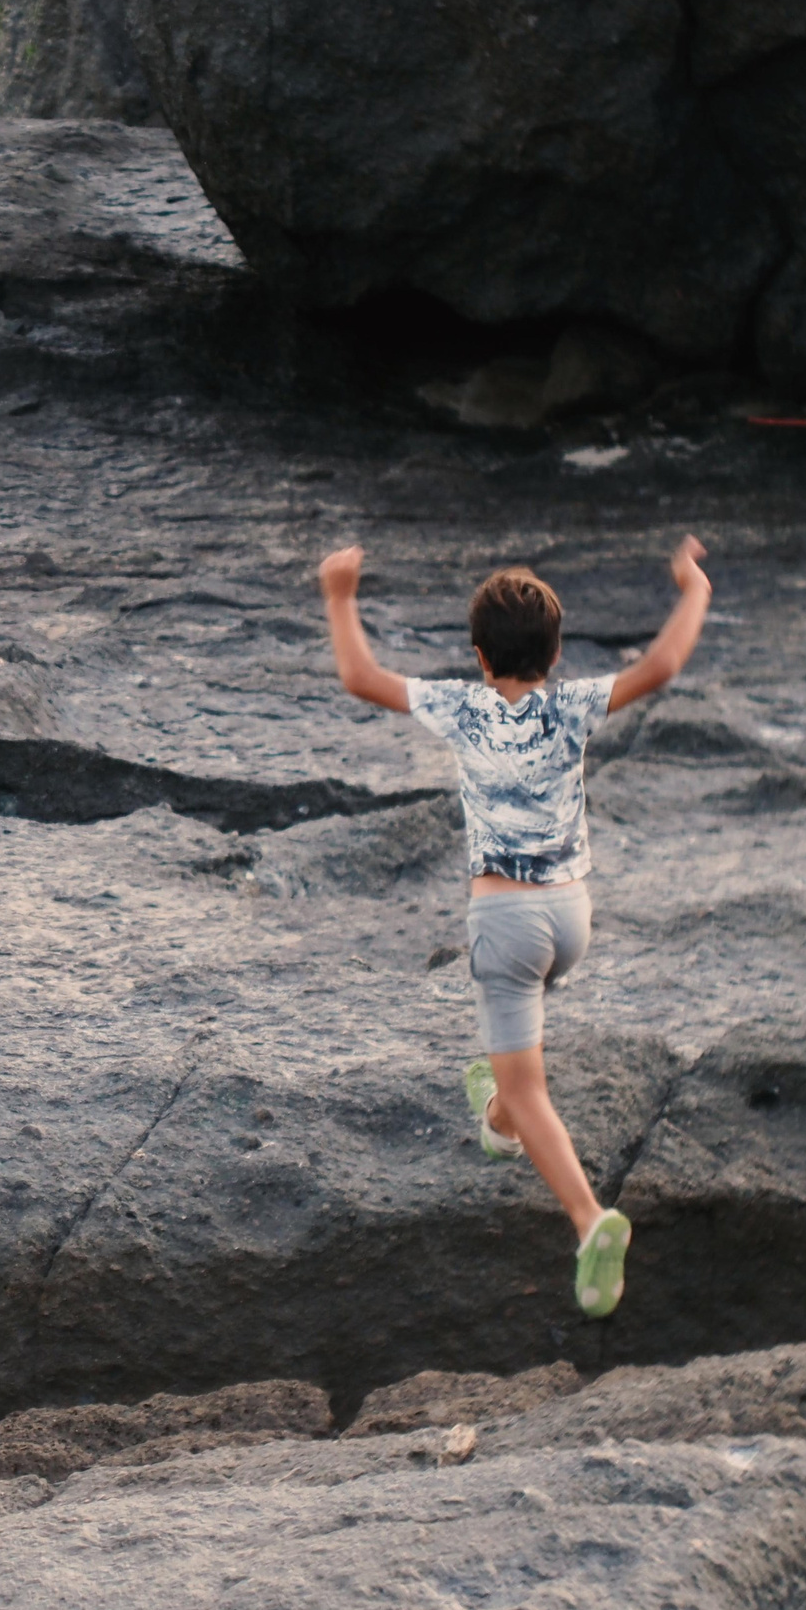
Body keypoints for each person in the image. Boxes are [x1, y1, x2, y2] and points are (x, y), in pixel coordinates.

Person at [316, 536, 710, 1318]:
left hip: (505, 922)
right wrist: (692, 588)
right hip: (571, 916)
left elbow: (359, 677)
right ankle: (495, 1118)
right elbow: (662, 667)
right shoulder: (572, 705)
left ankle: (590, 1219)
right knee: (507, 1076)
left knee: (530, 1088)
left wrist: (338, 593)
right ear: (557, 654)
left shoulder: (463, 707)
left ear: (477, 656)